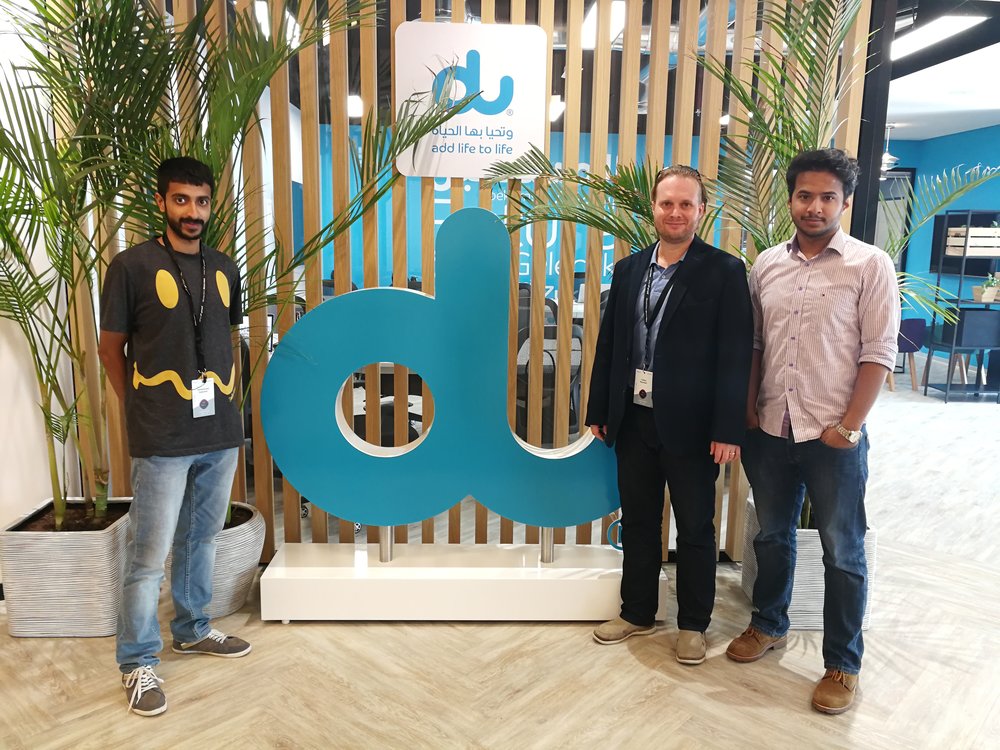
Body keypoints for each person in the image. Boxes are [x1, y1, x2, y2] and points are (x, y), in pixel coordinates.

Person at [726, 148, 900, 715]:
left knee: (842, 551)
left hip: (833, 437)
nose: (815, 206)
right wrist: (748, 410)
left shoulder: (870, 265)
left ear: (845, 203)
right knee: (771, 537)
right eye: (805, 195)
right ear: (791, 199)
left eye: (828, 197)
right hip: (770, 429)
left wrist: (850, 427)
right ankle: (768, 624)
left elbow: (878, 353)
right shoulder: (766, 266)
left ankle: (843, 663)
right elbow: (755, 343)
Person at [99, 157, 251, 717]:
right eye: (181, 199)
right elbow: (110, 348)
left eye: (201, 201)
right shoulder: (131, 267)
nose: (193, 211)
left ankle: (192, 629)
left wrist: (227, 406)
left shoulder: (224, 268)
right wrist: (138, 406)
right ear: (161, 202)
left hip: (220, 431)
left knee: (200, 540)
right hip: (162, 435)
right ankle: (137, 661)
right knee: (148, 556)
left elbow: (226, 338)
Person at [586, 166, 753, 665]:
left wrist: (727, 428)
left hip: (694, 428)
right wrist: (599, 408)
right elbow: (610, 344)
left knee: (695, 527)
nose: (675, 213)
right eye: (667, 203)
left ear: (701, 210)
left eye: (685, 204)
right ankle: (637, 612)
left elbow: (735, 355)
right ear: (654, 208)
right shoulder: (629, 270)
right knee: (638, 520)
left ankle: (693, 625)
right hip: (634, 421)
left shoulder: (724, 271)